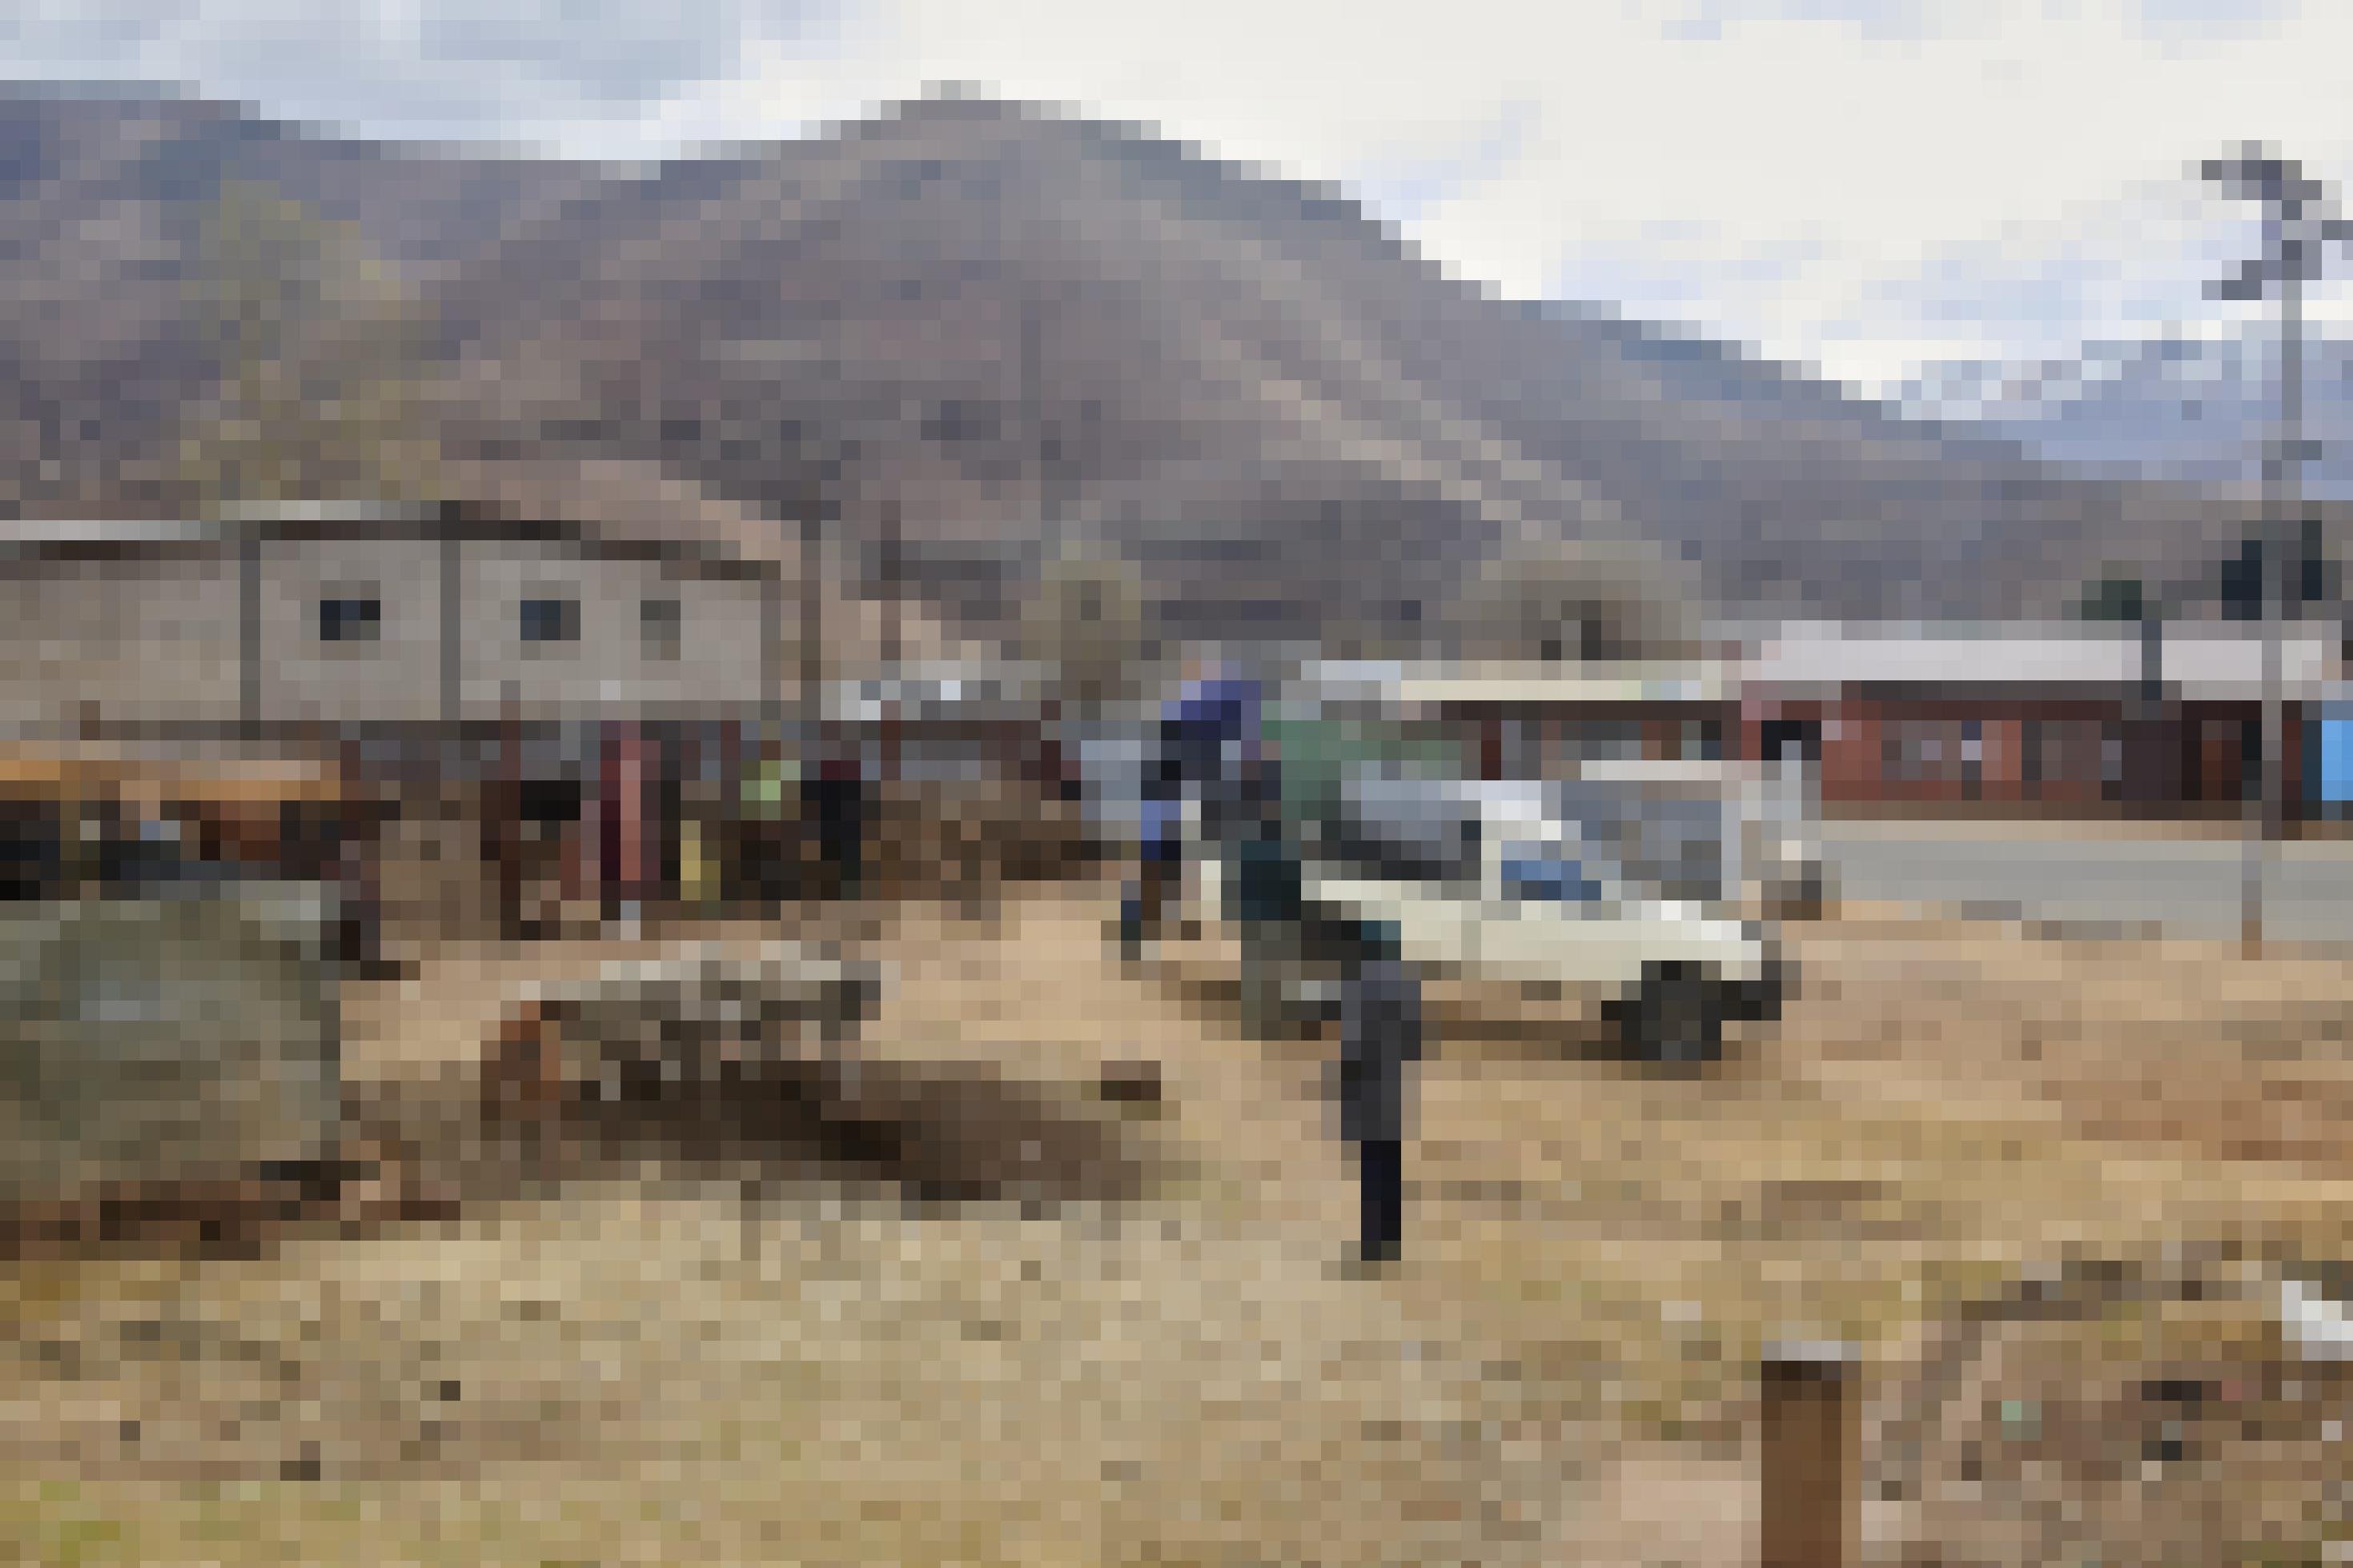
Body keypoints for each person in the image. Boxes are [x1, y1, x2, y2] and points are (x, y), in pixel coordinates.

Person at [1332, 920, 1422, 1266]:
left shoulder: (1360, 984)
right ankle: (1391, 1238)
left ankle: (1372, 1243)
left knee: (1370, 1166)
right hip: (1393, 1084)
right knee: (1390, 1164)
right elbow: (1413, 1043)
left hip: (1366, 1082)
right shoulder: (1407, 984)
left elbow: (1353, 1041)